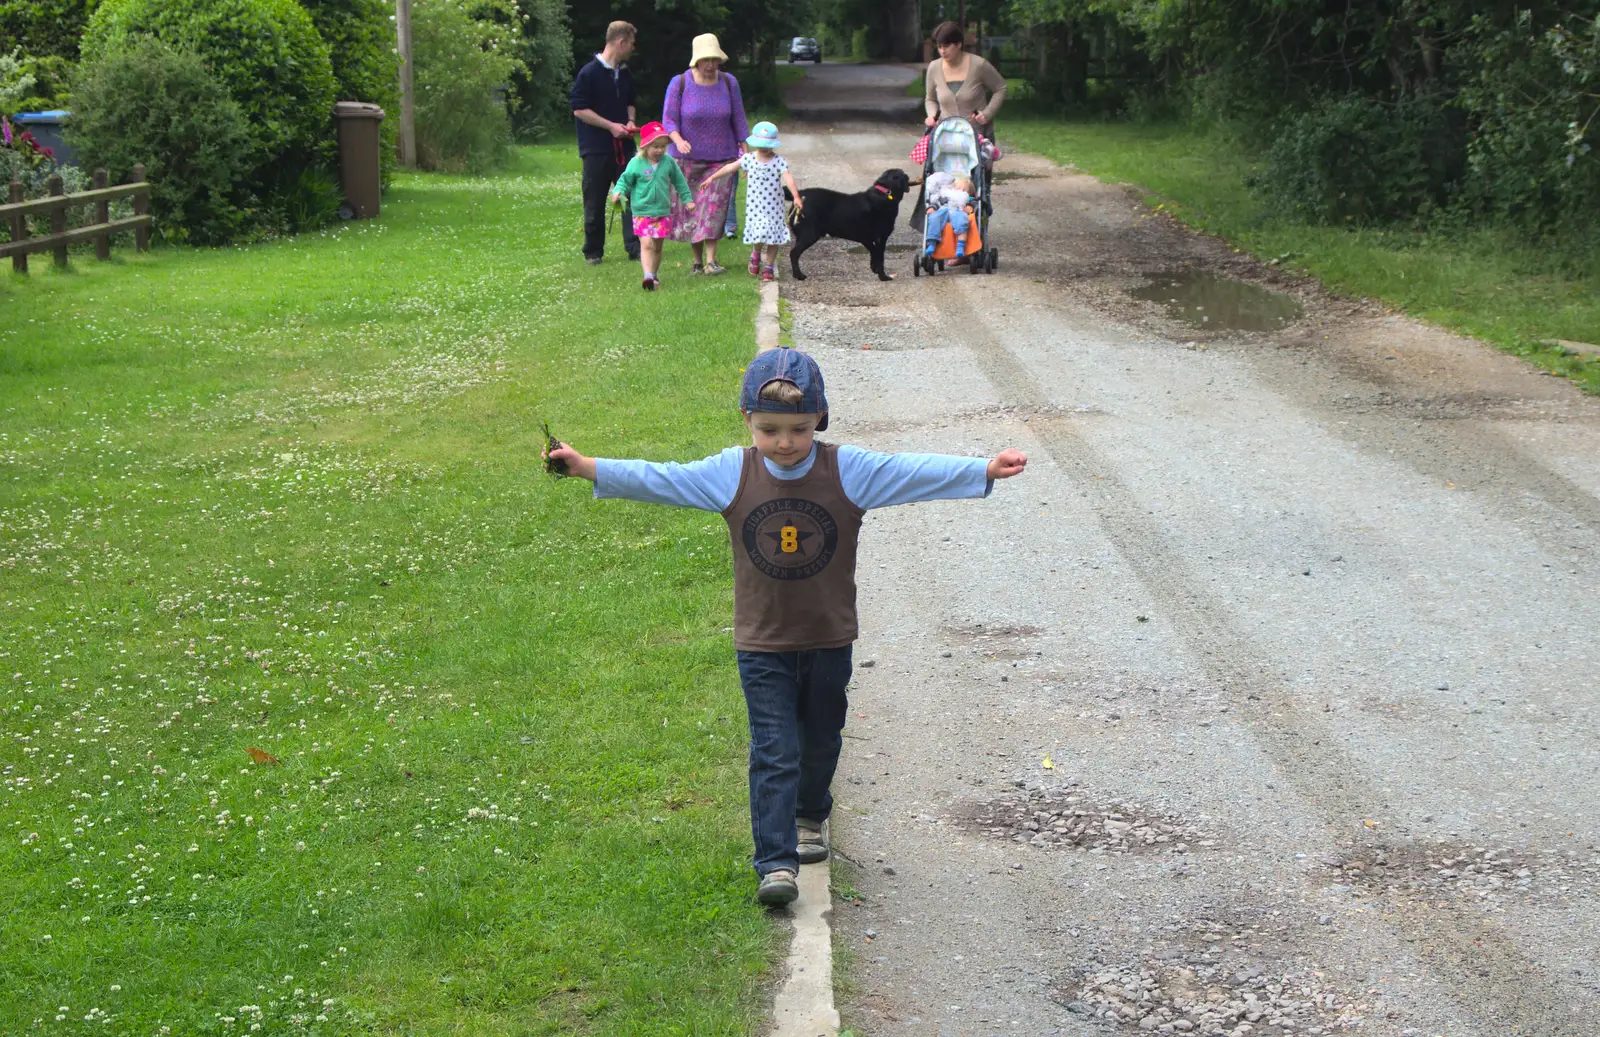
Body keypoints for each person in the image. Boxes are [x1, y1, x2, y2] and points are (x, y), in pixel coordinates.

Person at [543, 348, 1028, 906]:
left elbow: (908, 471)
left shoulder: (848, 470)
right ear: (747, 420)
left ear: (819, 419)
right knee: (775, 749)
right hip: (762, 644)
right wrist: (585, 466)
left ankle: (808, 817)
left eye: (798, 429)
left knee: (820, 740)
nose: (784, 442)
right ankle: (775, 863)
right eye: (768, 429)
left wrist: (981, 469)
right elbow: (662, 479)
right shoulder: (732, 472)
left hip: (829, 639)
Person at [662, 33, 749, 275]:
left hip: (722, 159)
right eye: (706, 60)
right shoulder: (679, 83)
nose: (710, 65)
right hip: (687, 159)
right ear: (696, 60)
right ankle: (697, 262)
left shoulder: (729, 82)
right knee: (692, 209)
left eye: (714, 60)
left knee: (714, 209)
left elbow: (739, 119)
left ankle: (711, 261)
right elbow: (669, 120)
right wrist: (678, 140)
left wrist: (745, 150)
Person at [571, 21, 641, 265]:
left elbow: (631, 101)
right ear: (620, 42)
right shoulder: (588, 73)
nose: (633, 49)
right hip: (596, 148)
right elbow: (579, 109)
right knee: (595, 198)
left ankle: (635, 246)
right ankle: (593, 251)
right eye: (631, 44)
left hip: (624, 147)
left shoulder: (625, 73)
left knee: (631, 195)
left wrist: (630, 121)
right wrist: (611, 126)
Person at [703, 121, 801, 283]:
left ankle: (768, 267)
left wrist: (796, 196)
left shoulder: (778, 161)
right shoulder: (748, 159)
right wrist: (712, 177)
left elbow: (788, 177)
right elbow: (730, 168)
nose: (764, 148)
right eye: (761, 145)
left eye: (767, 145)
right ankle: (755, 254)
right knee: (759, 236)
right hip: (756, 208)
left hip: (774, 208)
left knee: (774, 238)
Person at [611, 122, 695, 291]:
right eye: (655, 146)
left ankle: (654, 276)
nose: (660, 150)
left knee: (657, 247)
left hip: (662, 211)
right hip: (642, 211)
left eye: (663, 147)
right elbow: (624, 180)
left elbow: (680, 182)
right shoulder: (636, 163)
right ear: (645, 146)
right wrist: (618, 192)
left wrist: (687, 200)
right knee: (647, 243)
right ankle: (647, 276)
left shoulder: (668, 162)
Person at [923, 21, 1007, 138]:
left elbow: (1001, 87)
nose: (942, 51)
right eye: (939, 46)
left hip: (977, 136)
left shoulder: (979, 65)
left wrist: (988, 113)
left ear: (958, 44)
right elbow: (930, 99)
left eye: (947, 46)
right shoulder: (934, 67)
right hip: (946, 136)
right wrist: (932, 116)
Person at [923, 172, 974, 259]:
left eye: (964, 190)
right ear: (953, 187)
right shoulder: (946, 194)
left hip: (958, 210)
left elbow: (974, 203)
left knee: (962, 221)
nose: (961, 190)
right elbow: (937, 202)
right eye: (959, 188)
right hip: (944, 209)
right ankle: (932, 243)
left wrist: (970, 206)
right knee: (934, 218)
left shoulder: (967, 199)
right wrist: (932, 208)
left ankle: (960, 246)